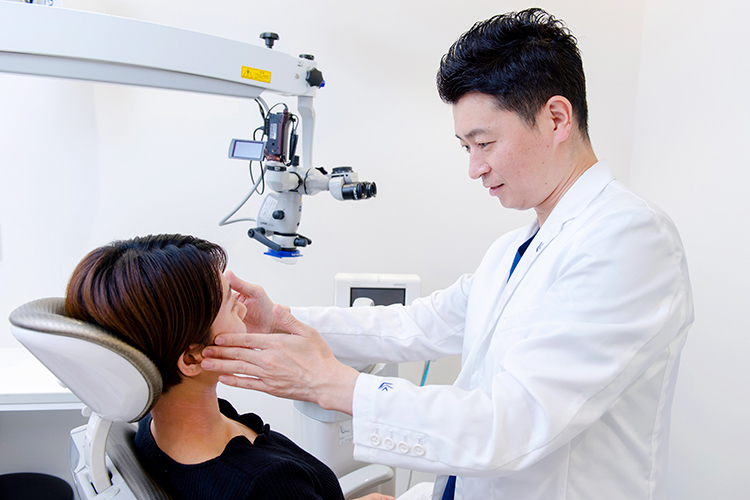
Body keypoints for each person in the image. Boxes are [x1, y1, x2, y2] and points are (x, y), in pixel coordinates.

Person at [200, 8, 694, 500]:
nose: (475, 168)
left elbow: (512, 426)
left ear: (557, 118)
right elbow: (416, 325)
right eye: (466, 148)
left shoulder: (630, 240)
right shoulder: (515, 249)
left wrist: (330, 383)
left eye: (485, 143)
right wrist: (277, 320)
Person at [64, 234, 394, 500]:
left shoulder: (154, 427)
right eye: (229, 303)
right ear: (192, 359)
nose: (243, 304)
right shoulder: (265, 484)